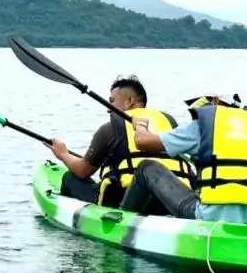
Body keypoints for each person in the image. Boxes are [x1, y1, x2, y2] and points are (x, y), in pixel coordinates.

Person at [127, 94, 247, 225]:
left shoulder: (202, 127)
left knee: (146, 167)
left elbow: (142, 142)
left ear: (216, 101)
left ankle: (123, 219)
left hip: (210, 218)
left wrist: (140, 124)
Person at [48, 75, 195, 210]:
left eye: (111, 101)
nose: (108, 108)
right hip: (169, 201)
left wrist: (63, 154)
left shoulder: (109, 129)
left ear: (130, 101)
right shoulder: (170, 123)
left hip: (124, 201)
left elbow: (82, 170)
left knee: (71, 178)